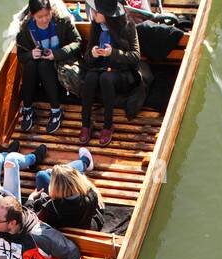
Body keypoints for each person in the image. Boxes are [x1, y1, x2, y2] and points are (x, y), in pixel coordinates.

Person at [79, 0, 141, 146]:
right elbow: (87, 58)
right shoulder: (96, 25)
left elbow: (135, 56)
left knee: (106, 78)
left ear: (107, 14)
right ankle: (86, 123)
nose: (93, 13)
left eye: (96, 11)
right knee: (90, 77)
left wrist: (112, 53)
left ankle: (108, 125)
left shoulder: (128, 26)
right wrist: (93, 54)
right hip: (100, 69)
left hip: (122, 73)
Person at [15, 0, 81, 134]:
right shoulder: (26, 29)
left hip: (60, 66)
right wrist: (31, 54)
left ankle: (56, 111)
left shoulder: (62, 21)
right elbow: (21, 56)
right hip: (38, 73)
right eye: (40, 17)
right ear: (33, 16)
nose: (45, 19)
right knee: (30, 64)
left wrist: (56, 54)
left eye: (47, 15)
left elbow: (77, 42)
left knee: (45, 65)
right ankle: (27, 109)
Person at [28, 162, 104, 230]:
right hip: (86, 228)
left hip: (63, 234)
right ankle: (84, 162)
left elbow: (30, 220)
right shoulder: (91, 195)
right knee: (53, 173)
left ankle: (83, 162)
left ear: (55, 187)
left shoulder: (52, 208)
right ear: (78, 180)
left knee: (41, 175)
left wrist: (30, 199)